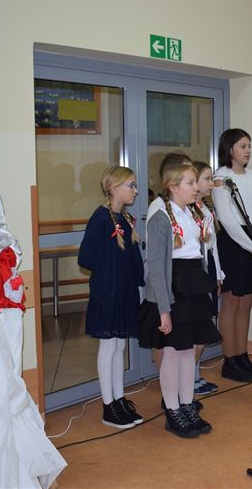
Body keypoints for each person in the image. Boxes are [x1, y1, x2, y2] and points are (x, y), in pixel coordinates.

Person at [138, 160, 220, 438]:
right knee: (173, 353)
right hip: (174, 290)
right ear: (173, 187)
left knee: (188, 352)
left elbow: (200, 252)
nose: (196, 187)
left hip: (193, 285)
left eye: (196, 182)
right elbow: (156, 268)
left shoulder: (194, 213)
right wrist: (164, 309)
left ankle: (187, 404)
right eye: (190, 183)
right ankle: (172, 410)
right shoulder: (161, 217)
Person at [77, 165, 146, 429]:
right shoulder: (100, 218)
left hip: (124, 291)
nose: (135, 191)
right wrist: (107, 270)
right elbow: (85, 258)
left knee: (120, 346)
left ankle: (119, 399)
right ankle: (108, 406)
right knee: (108, 346)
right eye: (131, 185)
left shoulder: (124, 217)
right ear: (114, 188)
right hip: (107, 293)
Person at [212, 128, 252, 383]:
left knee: (247, 301)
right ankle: (230, 359)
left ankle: (243, 356)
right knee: (232, 302)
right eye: (243, 146)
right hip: (234, 242)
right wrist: (250, 245)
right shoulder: (220, 178)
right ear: (230, 149)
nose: (247, 151)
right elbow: (226, 218)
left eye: (249, 146)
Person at [191, 161, 224, 396]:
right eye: (207, 179)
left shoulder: (206, 209)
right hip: (195, 269)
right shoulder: (187, 211)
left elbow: (213, 247)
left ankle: (195, 375)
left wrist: (219, 274)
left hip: (209, 267)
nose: (211, 183)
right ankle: (188, 378)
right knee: (195, 331)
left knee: (203, 328)